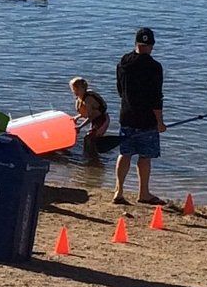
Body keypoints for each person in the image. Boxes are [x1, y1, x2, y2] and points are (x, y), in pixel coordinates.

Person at [113, 27, 165, 204]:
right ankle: (143, 193)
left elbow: (120, 90)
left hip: (126, 115)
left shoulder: (124, 61)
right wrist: (160, 122)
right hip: (146, 120)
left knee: (125, 153)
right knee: (145, 157)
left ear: (136, 43)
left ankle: (119, 191)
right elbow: (156, 98)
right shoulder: (154, 67)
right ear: (151, 45)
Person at [68, 74, 111, 164]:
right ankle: (88, 156)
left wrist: (80, 127)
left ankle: (94, 160)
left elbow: (91, 116)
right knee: (88, 139)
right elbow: (85, 113)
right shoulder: (81, 98)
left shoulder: (88, 99)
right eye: (73, 89)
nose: (74, 91)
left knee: (89, 138)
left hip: (102, 119)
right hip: (95, 119)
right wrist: (77, 117)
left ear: (83, 88)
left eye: (77, 89)